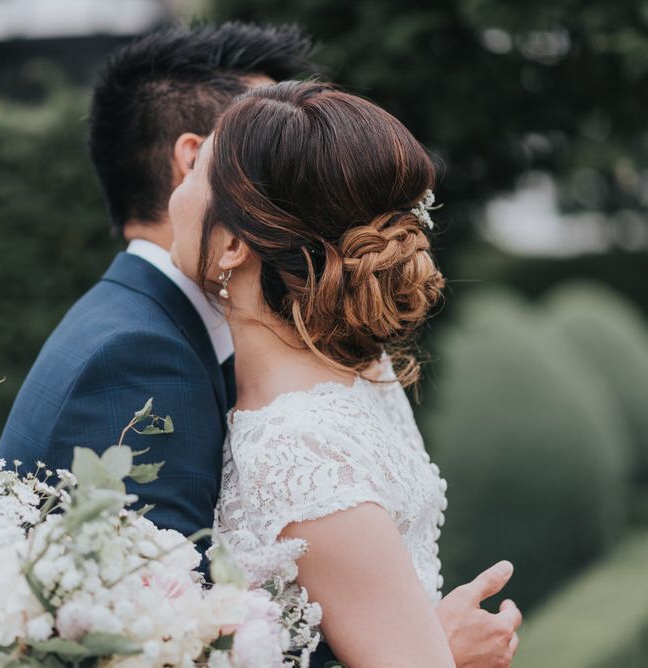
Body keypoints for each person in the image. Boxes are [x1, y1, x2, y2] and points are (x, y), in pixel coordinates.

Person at [168, 80, 523, 666]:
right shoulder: (363, 366)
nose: (175, 191)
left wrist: (442, 655)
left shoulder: (304, 450)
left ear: (232, 245)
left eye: (196, 172)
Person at [0, 22, 315, 545]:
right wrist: (402, 631)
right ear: (195, 161)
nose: (301, 176)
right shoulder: (139, 356)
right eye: (275, 151)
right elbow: (176, 607)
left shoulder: (154, 323)